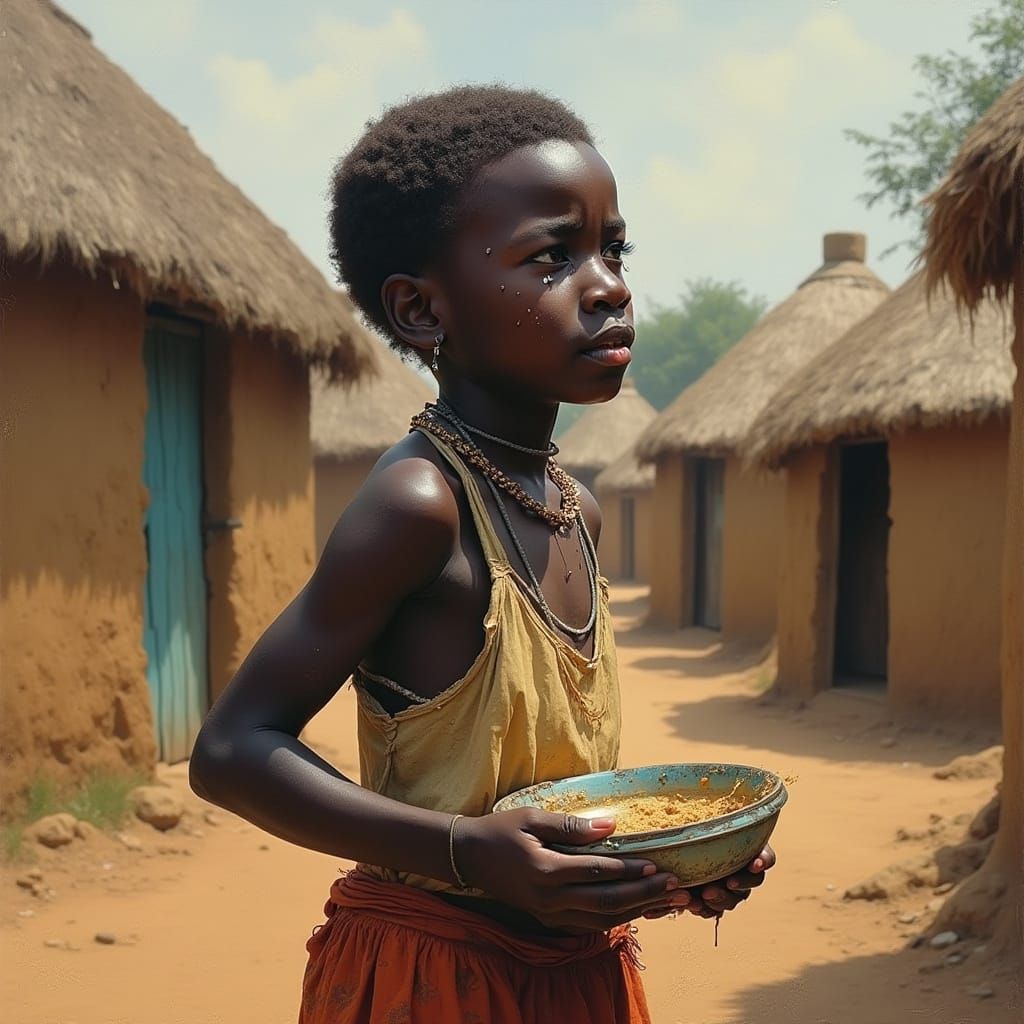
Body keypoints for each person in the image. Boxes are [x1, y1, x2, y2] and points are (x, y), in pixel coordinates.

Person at [189, 85, 775, 1024]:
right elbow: (231, 752)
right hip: (434, 979)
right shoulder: (418, 506)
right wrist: (468, 851)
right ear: (423, 311)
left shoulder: (571, 505)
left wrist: (674, 869)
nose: (609, 285)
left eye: (613, 249)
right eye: (553, 257)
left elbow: (550, 792)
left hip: (576, 978)